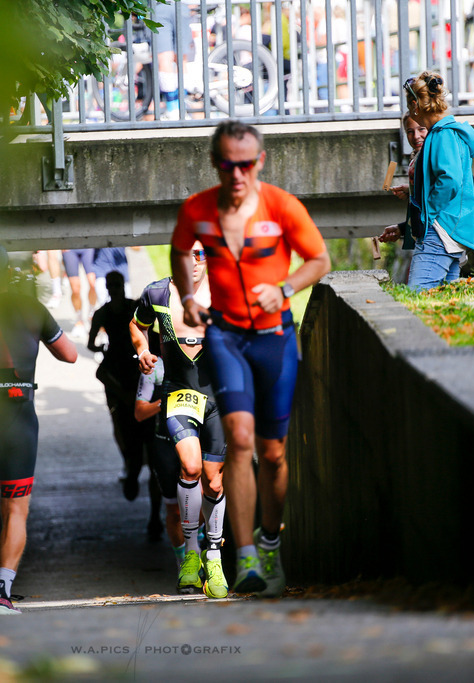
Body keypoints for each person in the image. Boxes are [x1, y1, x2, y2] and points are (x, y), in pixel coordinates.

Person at [170, 121, 330, 597]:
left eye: (245, 164)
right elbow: (179, 251)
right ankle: (244, 560)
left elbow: (319, 260)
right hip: (226, 336)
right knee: (239, 438)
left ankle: (268, 541)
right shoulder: (197, 211)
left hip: (274, 337)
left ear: (259, 162)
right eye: (226, 164)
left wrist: (283, 289)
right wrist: (187, 297)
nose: (236, 174)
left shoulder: (282, 206)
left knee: (274, 452)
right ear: (215, 164)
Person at [0, 241, 77, 614]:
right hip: (19, 418)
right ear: (8, 273)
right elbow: (70, 354)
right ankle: (4, 594)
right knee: (16, 509)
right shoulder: (30, 308)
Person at [130, 244, 229, 598]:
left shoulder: (226, 289)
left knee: (214, 483)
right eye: (188, 255)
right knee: (190, 467)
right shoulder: (156, 293)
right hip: (178, 392)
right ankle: (191, 553)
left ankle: (214, 556)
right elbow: (136, 324)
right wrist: (143, 350)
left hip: (219, 396)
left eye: (202, 255)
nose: (196, 262)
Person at [399, 72, 474, 292]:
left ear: (415, 105)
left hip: (440, 230)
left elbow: (450, 180)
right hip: (452, 228)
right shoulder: (448, 133)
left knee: (416, 296)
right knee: (443, 299)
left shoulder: (442, 135)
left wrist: (428, 213)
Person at [87, 271, 151, 503]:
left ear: (121, 286)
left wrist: (103, 350)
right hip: (120, 370)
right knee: (120, 422)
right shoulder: (106, 312)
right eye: (112, 285)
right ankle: (130, 461)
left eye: (116, 284)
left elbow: (91, 344)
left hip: (130, 368)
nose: (114, 289)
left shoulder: (122, 309)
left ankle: (135, 462)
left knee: (135, 421)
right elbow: (91, 344)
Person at [134, 356, 185, 555]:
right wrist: (166, 402)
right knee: (174, 511)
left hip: (199, 443)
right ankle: (183, 566)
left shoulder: (206, 358)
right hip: (165, 443)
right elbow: (139, 413)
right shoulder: (155, 367)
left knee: (201, 507)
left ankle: (201, 554)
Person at [377, 112, 428, 284]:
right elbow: (425, 202)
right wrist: (402, 229)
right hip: (427, 238)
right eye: (410, 131)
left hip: (437, 241)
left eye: (421, 129)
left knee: (418, 291)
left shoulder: (433, 157)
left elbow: (438, 200)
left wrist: (415, 191)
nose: (416, 136)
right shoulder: (417, 157)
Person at [61, 248, 97, 340]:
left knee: (93, 283)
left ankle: (91, 312)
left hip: (88, 245)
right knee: (75, 289)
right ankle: (79, 320)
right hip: (70, 247)